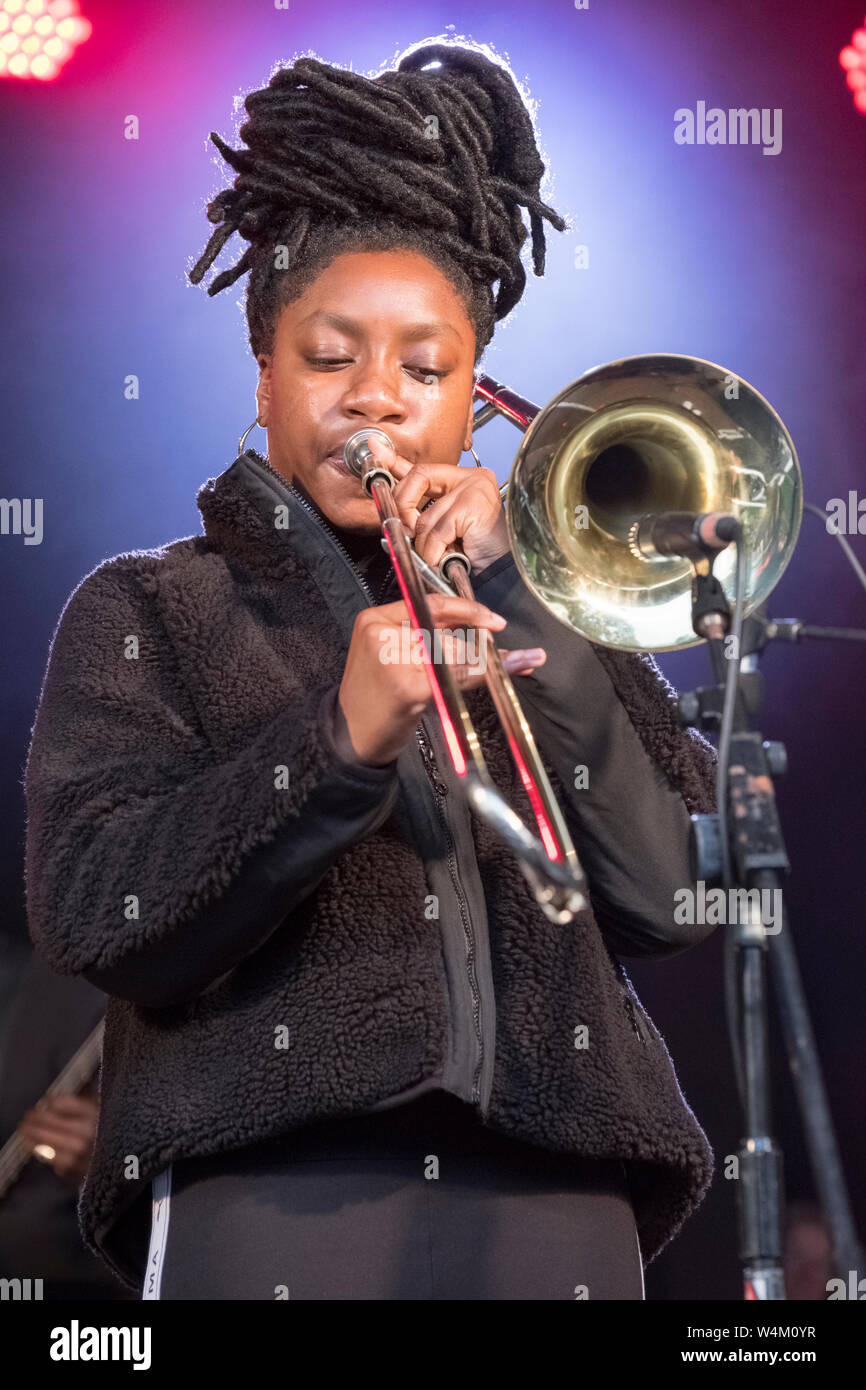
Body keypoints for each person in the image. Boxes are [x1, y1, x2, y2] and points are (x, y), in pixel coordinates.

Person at [23, 39, 719, 1301]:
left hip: (567, 1197)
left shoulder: (556, 603)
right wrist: (331, 746)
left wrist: (528, 607)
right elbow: (94, 914)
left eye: (424, 368)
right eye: (329, 357)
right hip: (276, 1193)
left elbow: (677, 894)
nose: (375, 402)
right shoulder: (149, 605)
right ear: (264, 381)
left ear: (473, 398)